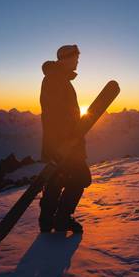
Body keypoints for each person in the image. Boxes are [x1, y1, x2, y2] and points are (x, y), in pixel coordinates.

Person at [39, 44, 91, 233]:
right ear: (66, 59)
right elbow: (55, 115)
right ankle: (61, 218)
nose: (78, 61)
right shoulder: (55, 80)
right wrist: (68, 139)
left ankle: (47, 220)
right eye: (75, 57)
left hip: (62, 143)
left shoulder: (57, 79)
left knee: (57, 180)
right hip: (65, 144)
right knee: (81, 178)